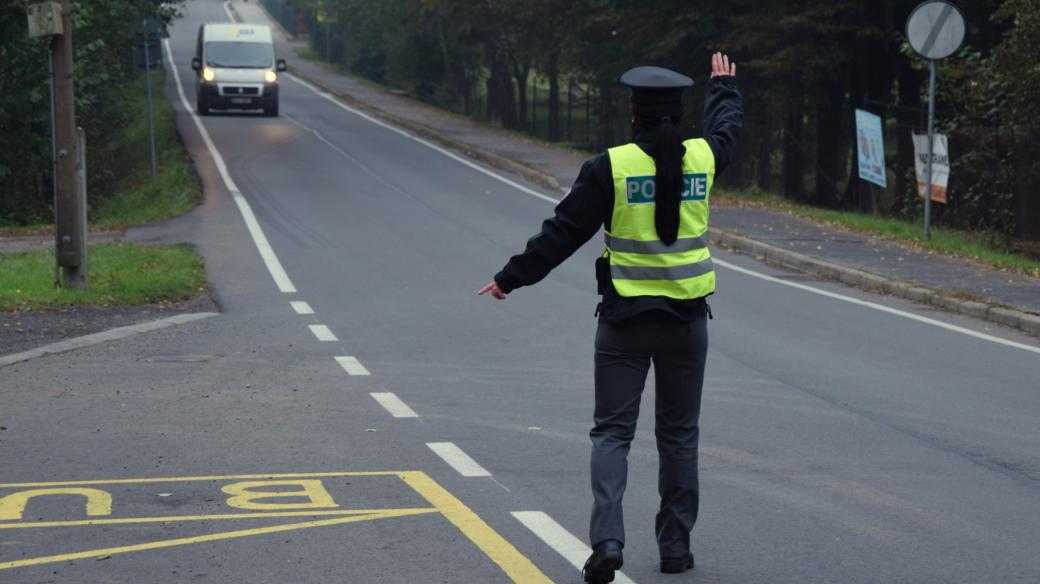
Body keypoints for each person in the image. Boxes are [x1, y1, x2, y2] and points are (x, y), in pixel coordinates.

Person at [479, 53, 742, 582]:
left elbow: (564, 232)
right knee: (679, 436)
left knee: (612, 435)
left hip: (624, 323)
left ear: (633, 113)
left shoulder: (611, 166)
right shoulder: (704, 158)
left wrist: (511, 276)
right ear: (679, 114)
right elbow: (726, 130)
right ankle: (674, 549)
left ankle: (608, 542)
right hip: (688, 323)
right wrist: (724, 89)